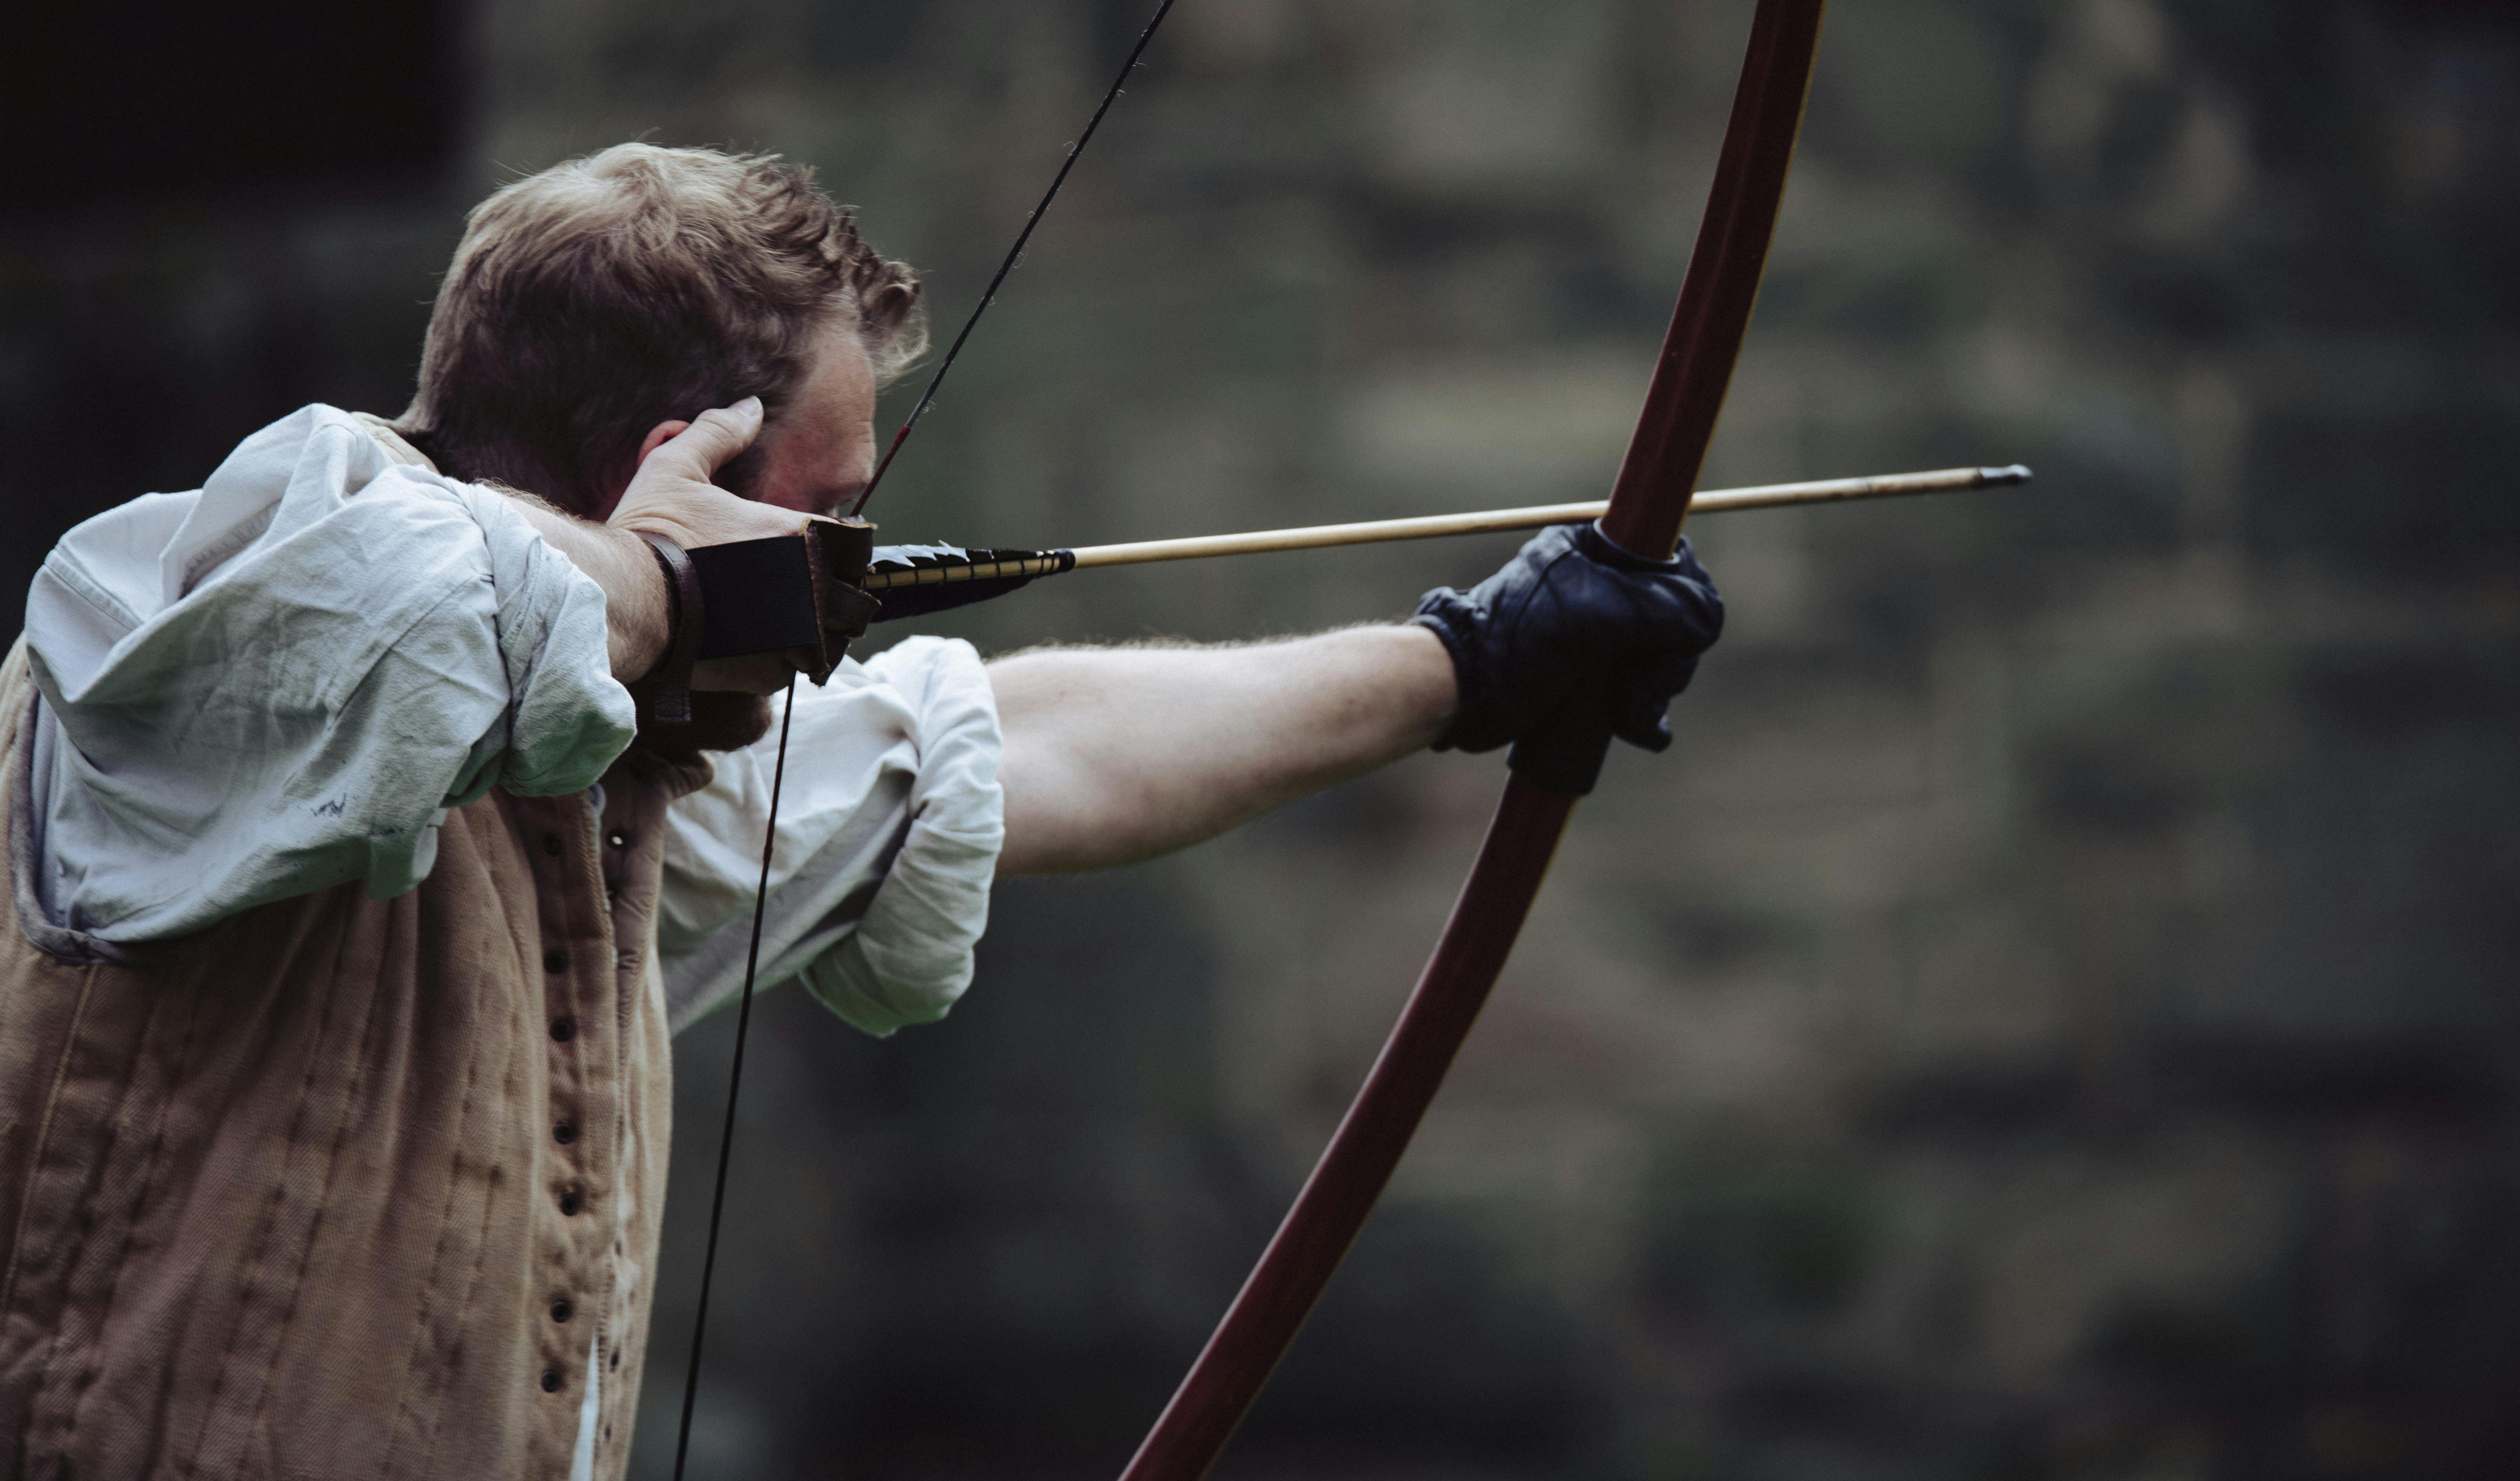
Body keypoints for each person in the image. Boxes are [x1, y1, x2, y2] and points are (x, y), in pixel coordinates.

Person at [0, 144, 1720, 1479]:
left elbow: (1020, 745)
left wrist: (1468, 669)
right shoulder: (215, 613)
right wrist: (671, 581)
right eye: (822, 528)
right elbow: (433, 610)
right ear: (670, 469)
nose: (842, 591)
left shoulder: (623, 760)